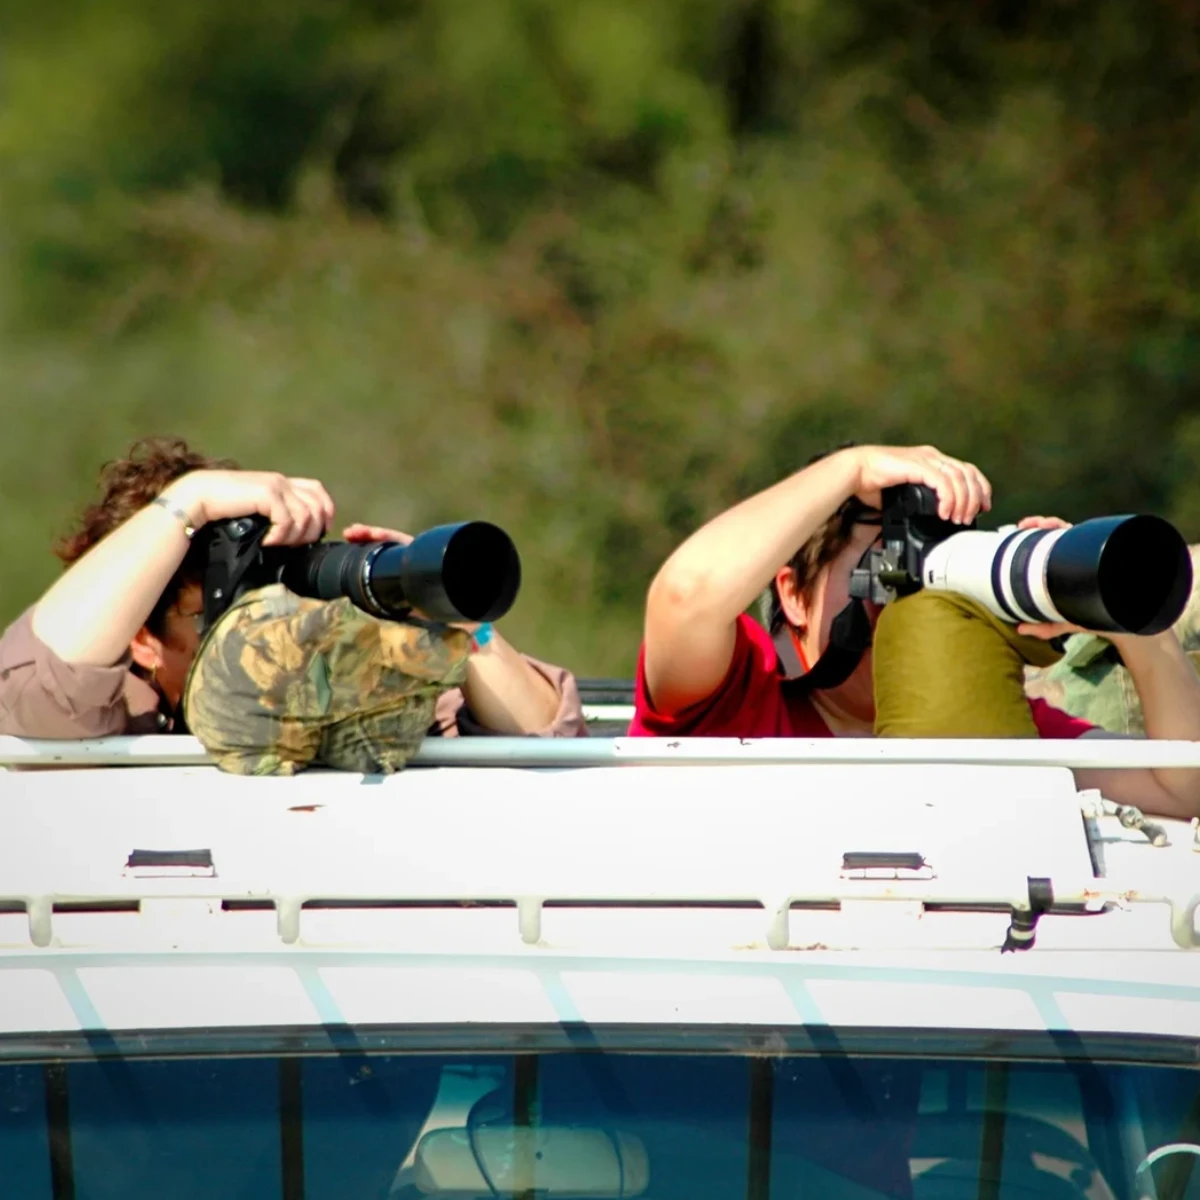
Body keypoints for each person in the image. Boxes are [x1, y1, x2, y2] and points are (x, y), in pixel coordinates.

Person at [631, 442, 1200, 818]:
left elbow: (1183, 788)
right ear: (795, 596)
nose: (911, 596)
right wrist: (852, 469)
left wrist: (1128, 618)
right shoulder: (735, 698)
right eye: (888, 565)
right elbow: (686, 596)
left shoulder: (985, 723)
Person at [0, 437, 584, 741]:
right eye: (229, 607)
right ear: (143, 641)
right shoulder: (118, 720)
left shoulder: (352, 684)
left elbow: (547, 741)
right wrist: (190, 501)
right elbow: (34, 690)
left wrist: (448, 614)